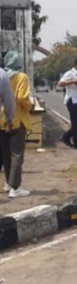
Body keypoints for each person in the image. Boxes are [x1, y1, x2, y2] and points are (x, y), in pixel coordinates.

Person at [0, 51, 32, 198]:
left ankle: (7, 183)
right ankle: (15, 187)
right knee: (17, 154)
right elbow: (22, 97)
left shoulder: (2, 76)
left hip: (1, 119)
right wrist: (30, 105)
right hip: (16, 119)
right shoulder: (21, 77)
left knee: (6, 153)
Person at [0, 60, 14, 195]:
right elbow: (8, 101)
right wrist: (9, 119)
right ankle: (9, 183)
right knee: (5, 152)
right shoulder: (2, 75)